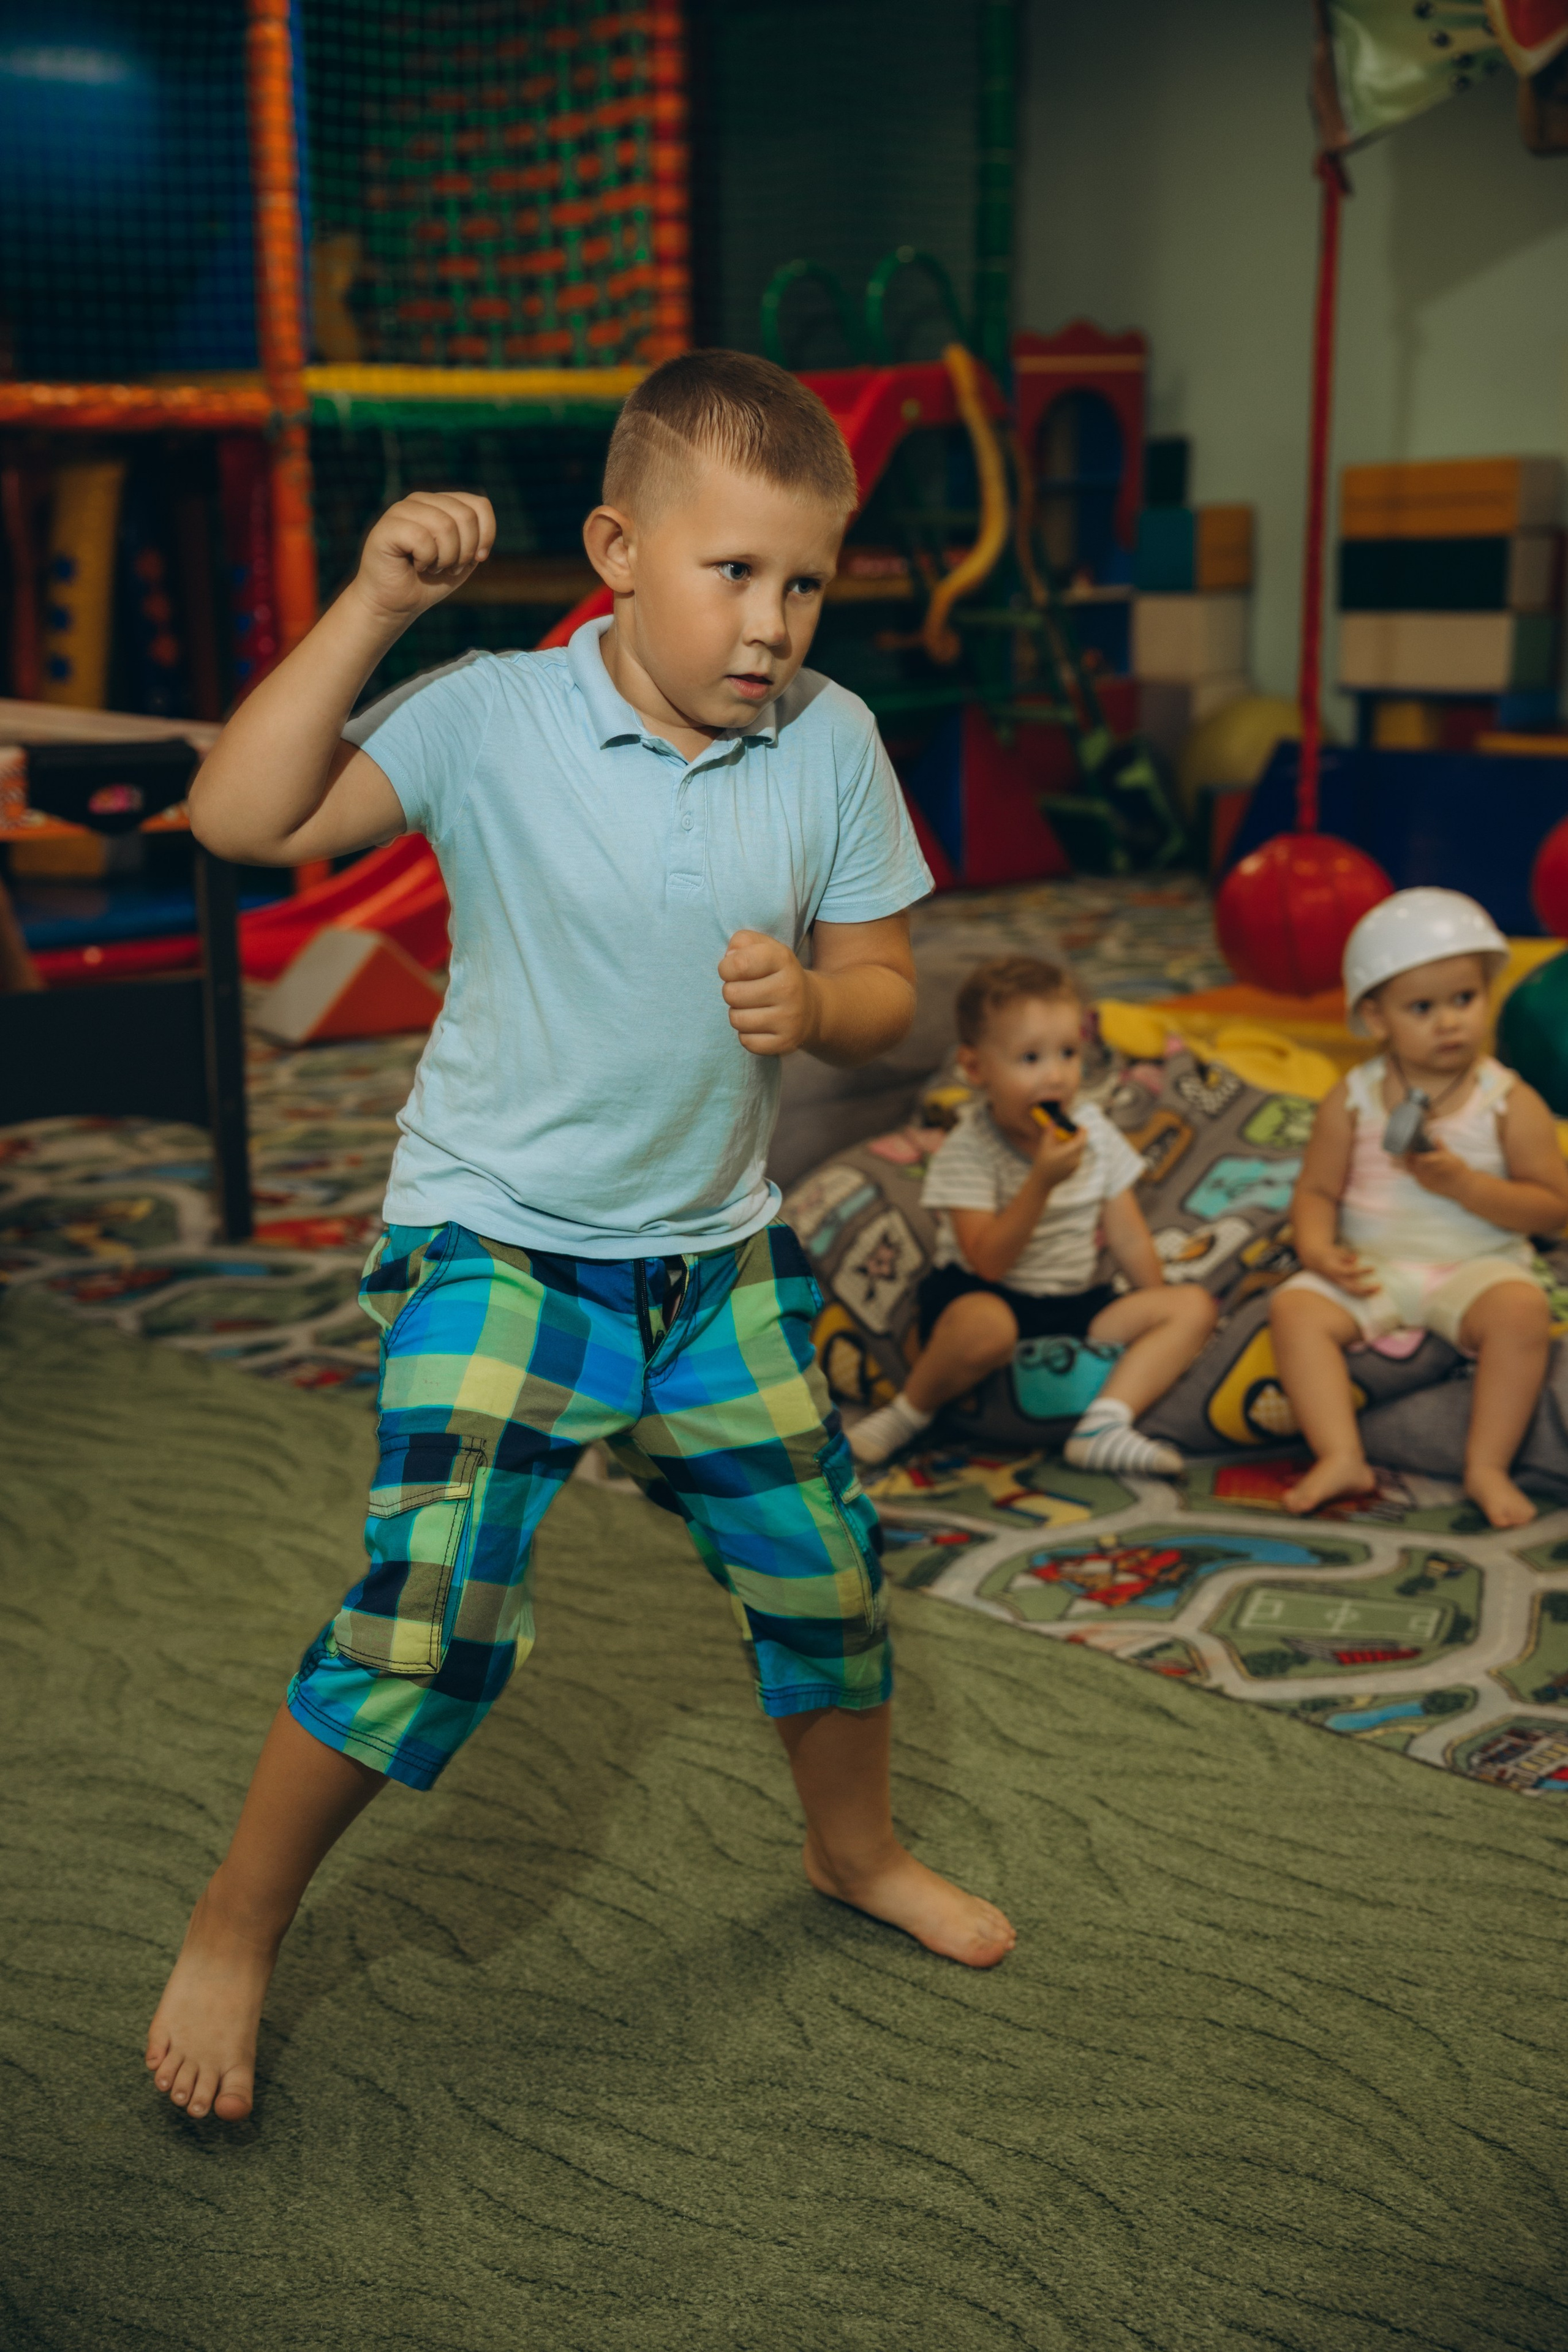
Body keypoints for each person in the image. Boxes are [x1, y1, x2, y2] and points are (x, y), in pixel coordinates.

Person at [145, 352, 1017, 2127]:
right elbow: (238, 823)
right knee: (431, 1613)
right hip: (501, 1241)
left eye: (804, 582)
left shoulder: (830, 738)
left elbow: (886, 990)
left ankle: (853, 1850)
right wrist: (373, 605)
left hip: (713, 1262)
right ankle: (237, 1921)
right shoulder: (489, 713)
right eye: (732, 570)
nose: (770, 622)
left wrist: (818, 1009)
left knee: (827, 1575)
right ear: (618, 551)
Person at [849, 954, 1217, 1473]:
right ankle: (909, 1412)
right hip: (984, 1296)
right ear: (976, 1069)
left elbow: (1129, 1235)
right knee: (986, 1327)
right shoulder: (970, 1149)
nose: (1056, 1076)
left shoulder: (1094, 1132)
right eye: (1030, 1058)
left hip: (1070, 1304)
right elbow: (988, 1262)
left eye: (1068, 1053)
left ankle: (1105, 1425)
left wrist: (1152, 1302)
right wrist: (1041, 1182)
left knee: (1192, 1307)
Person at [1270, 888, 1568, 1528]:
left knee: (1522, 1312)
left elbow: (1552, 1208)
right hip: (1374, 1266)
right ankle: (1341, 1454)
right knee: (1293, 1310)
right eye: (1422, 1008)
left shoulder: (1508, 1102)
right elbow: (1317, 1190)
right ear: (1376, 1018)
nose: (1449, 1022)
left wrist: (1466, 1187)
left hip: (1477, 1265)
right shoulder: (1352, 1098)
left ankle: (1486, 1465)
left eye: (1465, 999)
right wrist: (1317, 1248)